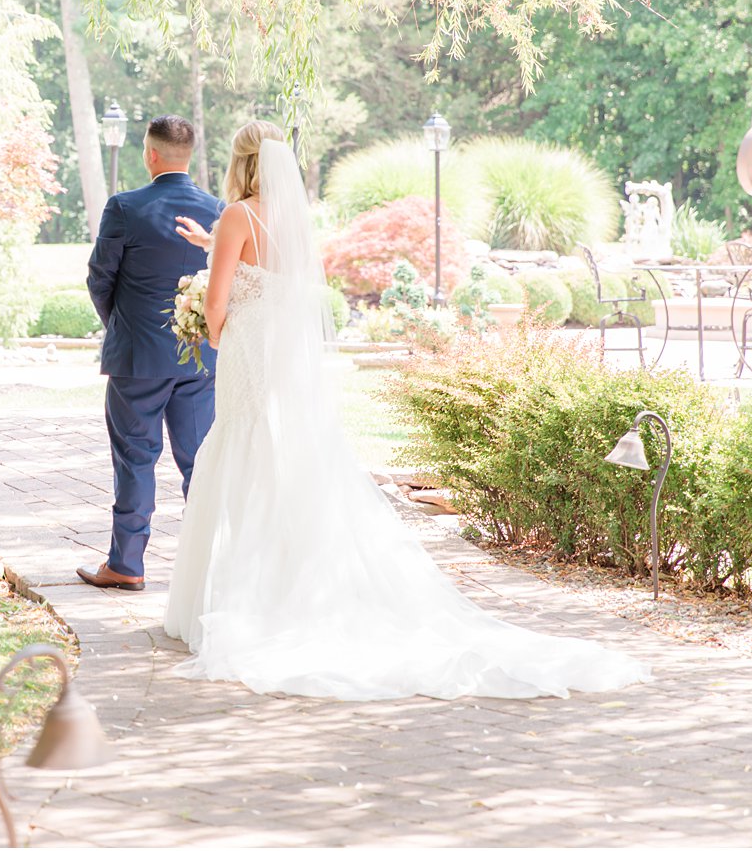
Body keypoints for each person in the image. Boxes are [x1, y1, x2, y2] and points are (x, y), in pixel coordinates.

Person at [163, 120, 652, 701]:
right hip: (285, 355)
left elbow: (220, 297)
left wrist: (213, 330)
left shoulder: (238, 215)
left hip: (248, 349)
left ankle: (242, 600)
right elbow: (265, 272)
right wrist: (212, 247)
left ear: (239, 162)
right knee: (285, 453)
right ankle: (297, 587)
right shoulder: (290, 220)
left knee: (243, 450)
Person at [81, 115, 225, 592]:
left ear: (151, 154)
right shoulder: (217, 210)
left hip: (137, 358)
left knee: (135, 458)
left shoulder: (124, 207)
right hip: (199, 359)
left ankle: (127, 564)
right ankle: (212, 565)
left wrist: (121, 327)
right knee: (200, 461)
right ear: (189, 154)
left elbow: (100, 278)